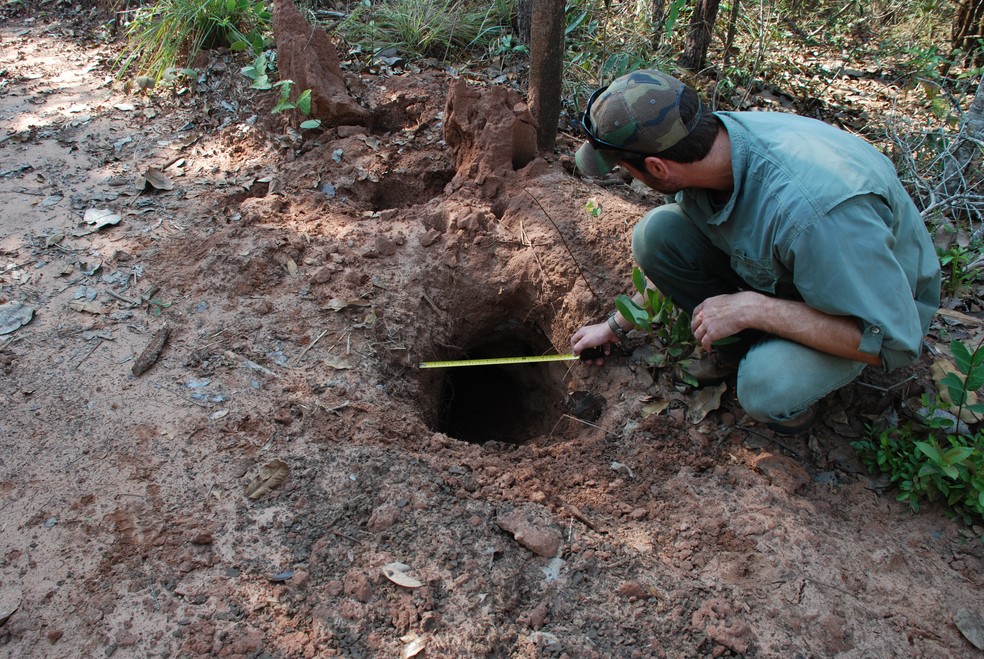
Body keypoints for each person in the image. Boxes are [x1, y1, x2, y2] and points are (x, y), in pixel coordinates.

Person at [569, 69, 941, 434]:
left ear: (656, 167)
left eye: (624, 168)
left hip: (870, 305)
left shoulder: (815, 215)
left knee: (766, 387)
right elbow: (684, 246)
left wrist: (754, 309)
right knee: (657, 233)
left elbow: (891, 341)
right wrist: (615, 325)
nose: (629, 176)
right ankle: (744, 345)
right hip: (803, 266)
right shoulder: (709, 144)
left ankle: (782, 379)